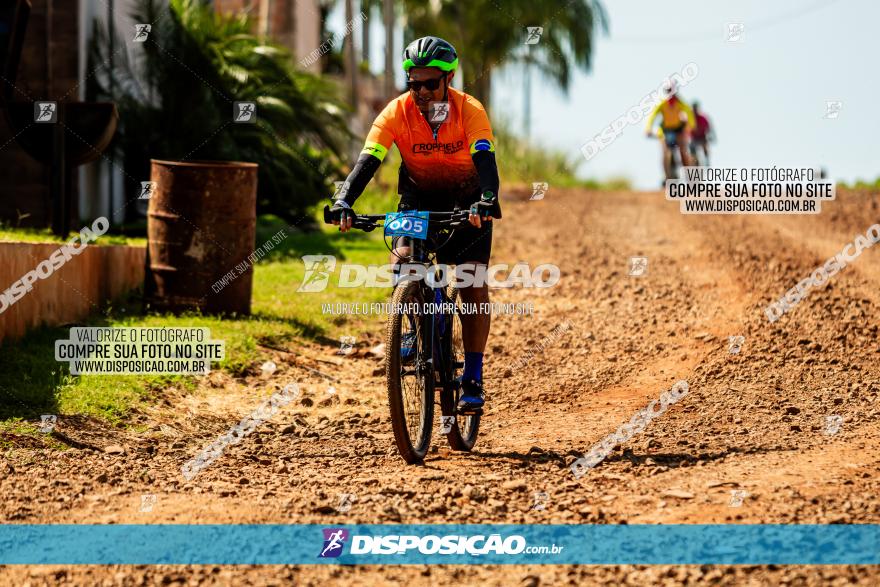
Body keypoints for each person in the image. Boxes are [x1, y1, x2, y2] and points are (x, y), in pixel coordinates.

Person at [328, 36, 501, 413]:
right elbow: (367, 161)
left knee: (471, 282)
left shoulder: (469, 110)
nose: (421, 92)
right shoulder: (395, 112)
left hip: (468, 200)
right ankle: (412, 326)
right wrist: (344, 200)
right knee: (403, 260)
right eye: (414, 83)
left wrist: (486, 200)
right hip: (418, 200)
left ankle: (472, 376)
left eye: (429, 83)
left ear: (448, 77)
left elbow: (485, 159)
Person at [644, 80, 696, 175]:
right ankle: (667, 177)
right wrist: (648, 128)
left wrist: (690, 127)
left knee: (683, 152)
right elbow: (652, 116)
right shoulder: (662, 103)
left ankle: (689, 177)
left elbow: (689, 114)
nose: (670, 93)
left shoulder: (681, 103)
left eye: (672, 90)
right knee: (665, 153)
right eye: (668, 90)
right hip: (665, 130)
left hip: (678, 130)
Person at [689, 101, 714, 166]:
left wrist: (711, 136)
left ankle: (707, 160)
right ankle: (694, 163)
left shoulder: (703, 118)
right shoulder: (689, 119)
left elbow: (709, 128)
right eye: (693, 108)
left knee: (705, 145)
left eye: (695, 108)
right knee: (692, 149)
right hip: (693, 138)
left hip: (702, 137)